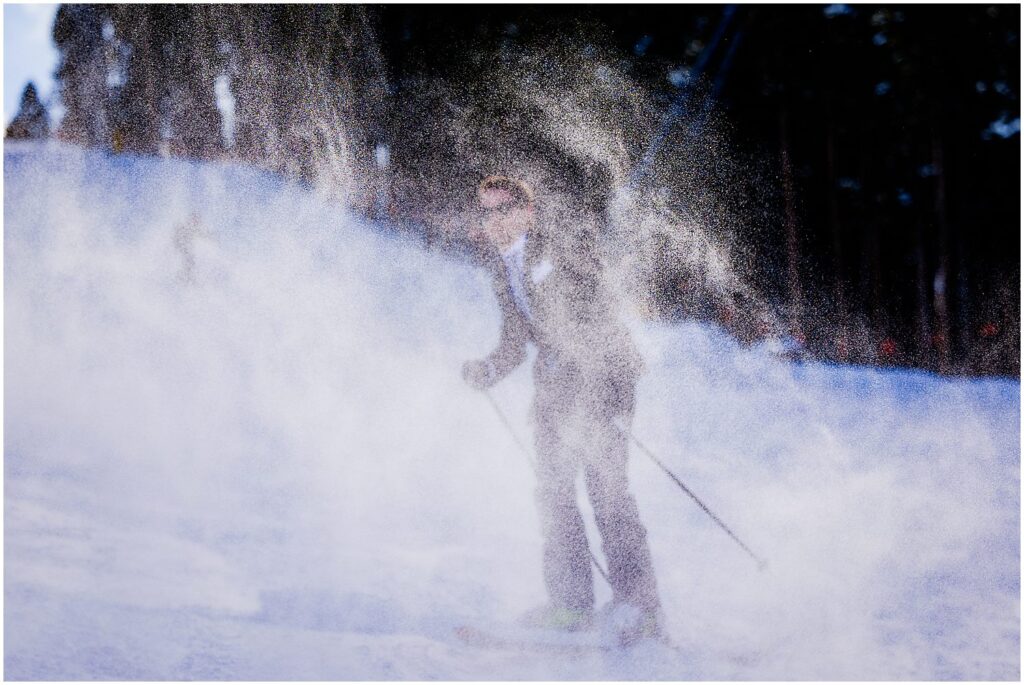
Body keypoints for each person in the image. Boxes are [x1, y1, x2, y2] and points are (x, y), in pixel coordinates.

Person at [462, 171, 664, 643]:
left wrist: (600, 385)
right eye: (487, 213)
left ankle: (641, 607)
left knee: (607, 491)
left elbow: (601, 307)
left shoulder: (555, 247)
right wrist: (488, 369)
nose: (495, 221)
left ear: (527, 212)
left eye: (504, 209)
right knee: (553, 493)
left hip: (604, 379)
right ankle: (571, 604)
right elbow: (517, 340)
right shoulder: (502, 269)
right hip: (557, 389)